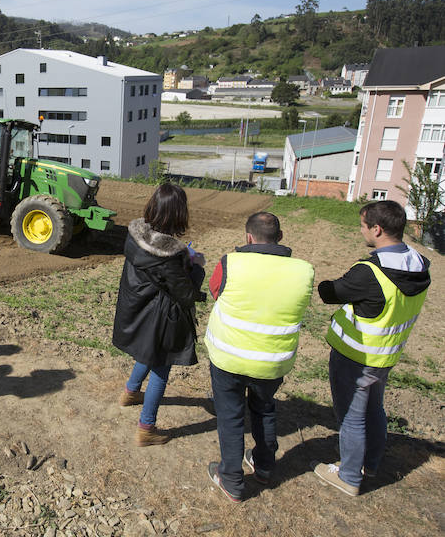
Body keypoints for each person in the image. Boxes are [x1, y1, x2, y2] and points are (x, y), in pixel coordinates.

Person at [313, 200, 430, 496]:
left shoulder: (370, 272)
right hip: (387, 355)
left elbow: (330, 292)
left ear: (376, 229)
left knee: (351, 417)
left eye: (363, 225)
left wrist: (334, 281)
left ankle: (349, 476)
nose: (361, 230)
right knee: (375, 409)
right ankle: (371, 463)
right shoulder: (418, 264)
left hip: (356, 356)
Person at [204, 212, 314, 502]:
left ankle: (231, 479)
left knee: (230, 416)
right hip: (272, 360)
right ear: (280, 237)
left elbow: (216, 292)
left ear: (248, 237)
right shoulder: (304, 271)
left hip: (228, 357)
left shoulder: (230, 262)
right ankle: (264, 465)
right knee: (264, 408)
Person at [113, 183, 206, 446]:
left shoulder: (135, 236)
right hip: (161, 316)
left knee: (148, 352)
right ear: (179, 214)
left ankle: (130, 392)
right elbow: (185, 293)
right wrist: (196, 266)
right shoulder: (170, 254)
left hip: (139, 310)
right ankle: (147, 428)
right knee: (161, 366)